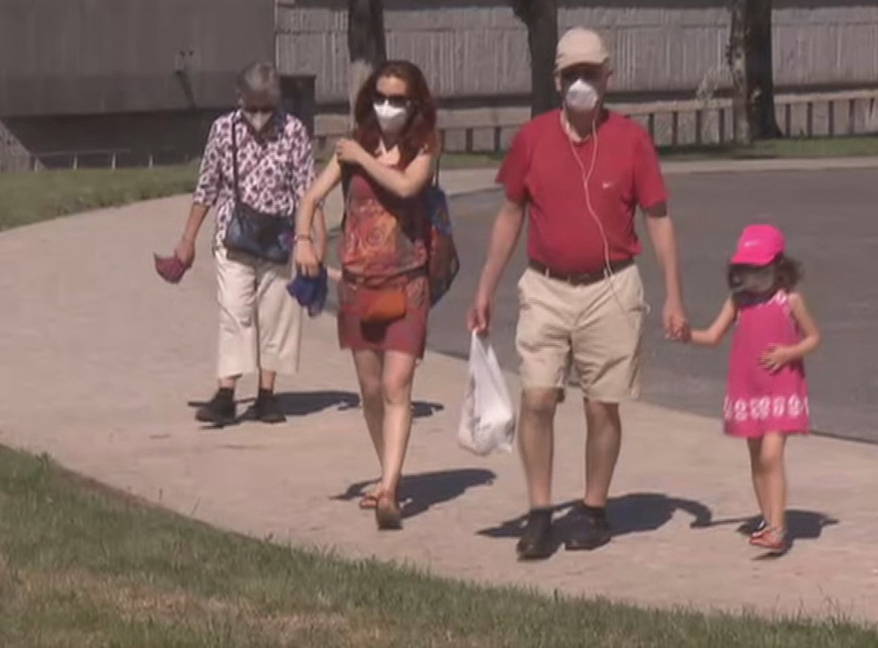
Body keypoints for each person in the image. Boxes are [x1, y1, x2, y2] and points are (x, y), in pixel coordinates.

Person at [467, 27, 687, 560]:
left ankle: (593, 507)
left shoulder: (632, 141)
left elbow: (657, 218)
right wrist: (485, 287)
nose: (582, 84)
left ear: (608, 79)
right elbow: (511, 214)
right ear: (557, 80)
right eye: (572, 75)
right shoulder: (534, 137)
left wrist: (674, 296)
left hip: (610, 287)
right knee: (538, 397)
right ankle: (540, 512)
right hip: (545, 286)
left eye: (591, 74)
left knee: (600, 406)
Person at [294, 60, 439, 531]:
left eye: (398, 99)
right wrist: (305, 242)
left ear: (415, 104)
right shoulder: (353, 147)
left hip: (407, 280)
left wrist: (361, 157)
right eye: (381, 97)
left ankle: (391, 490)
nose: (387, 107)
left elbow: (404, 184)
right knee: (371, 389)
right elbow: (310, 197)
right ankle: (384, 473)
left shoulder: (423, 147)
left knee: (398, 386)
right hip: (357, 284)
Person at [174, 61, 325, 427]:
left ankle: (266, 395)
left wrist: (316, 248)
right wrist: (188, 238)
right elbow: (207, 186)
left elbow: (309, 193)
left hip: (280, 237)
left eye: (266, 107)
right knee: (235, 311)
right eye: (252, 106)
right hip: (234, 236)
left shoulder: (293, 132)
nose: (259, 115)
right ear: (239, 99)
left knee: (275, 315)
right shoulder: (223, 131)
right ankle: (226, 393)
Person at [677, 224, 822, 555]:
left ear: (779, 268)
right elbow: (713, 336)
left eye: (761, 271)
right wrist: (687, 335)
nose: (753, 279)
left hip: (781, 388)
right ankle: (767, 519)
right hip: (749, 389)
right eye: (746, 272)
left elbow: (814, 338)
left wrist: (788, 352)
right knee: (757, 458)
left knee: (772, 454)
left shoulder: (790, 301)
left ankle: (777, 528)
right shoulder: (738, 302)